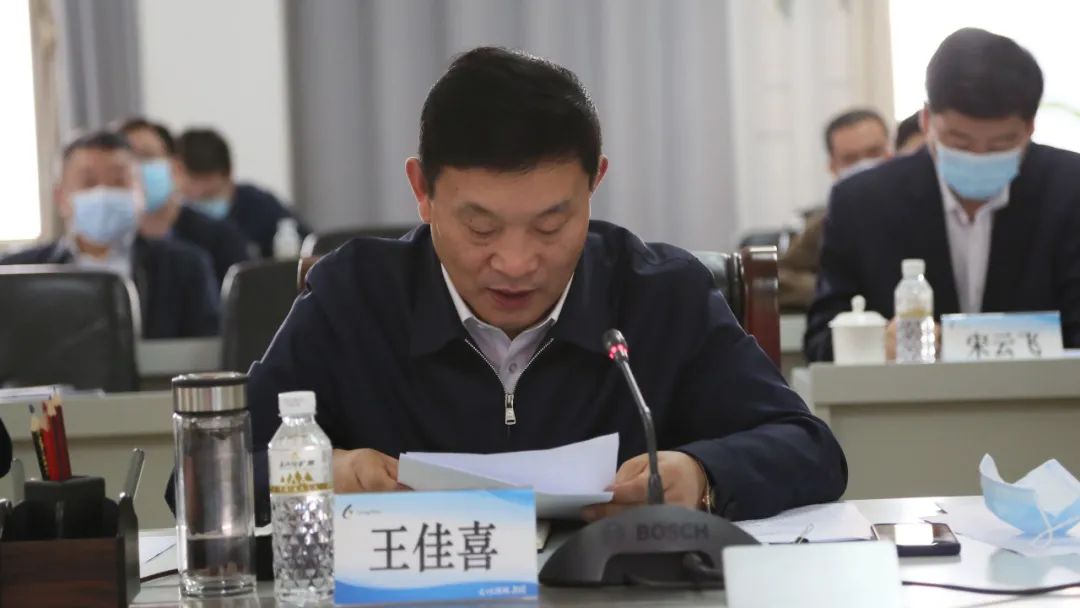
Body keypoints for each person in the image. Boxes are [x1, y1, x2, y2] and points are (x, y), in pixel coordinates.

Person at [164, 47, 848, 523]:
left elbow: (809, 447)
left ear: (595, 183)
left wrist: (701, 476)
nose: (517, 263)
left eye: (552, 224)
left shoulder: (660, 293)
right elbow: (200, 480)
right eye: (481, 227)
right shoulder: (354, 297)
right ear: (422, 191)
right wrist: (321, 474)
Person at [805, 28, 1080, 362]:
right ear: (926, 120)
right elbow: (820, 341)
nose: (978, 156)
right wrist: (872, 345)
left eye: (1000, 145)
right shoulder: (862, 203)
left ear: (1030, 127)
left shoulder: (1070, 189)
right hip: (909, 395)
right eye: (959, 142)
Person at [1, 131, 220, 339]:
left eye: (119, 181)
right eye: (89, 182)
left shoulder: (185, 267)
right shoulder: (15, 273)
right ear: (61, 197)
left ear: (141, 192)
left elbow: (205, 351)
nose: (104, 192)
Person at [778, 108, 893, 311]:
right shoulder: (826, 223)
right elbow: (779, 277)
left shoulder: (920, 208)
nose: (864, 166)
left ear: (891, 152)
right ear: (832, 166)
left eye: (874, 152)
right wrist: (836, 288)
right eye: (850, 159)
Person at [120, 118, 252, 285]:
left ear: (176, 168)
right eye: (127, 161)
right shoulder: (114, 246)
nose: (136, 169)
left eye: (147, 157)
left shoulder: (222, 240)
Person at [173, 128, 307, 258]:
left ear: (227, 174)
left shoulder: (258, 205)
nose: (199, 191)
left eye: (210, 194)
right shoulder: (174, 222)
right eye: (193, 182)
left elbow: (307, 245)